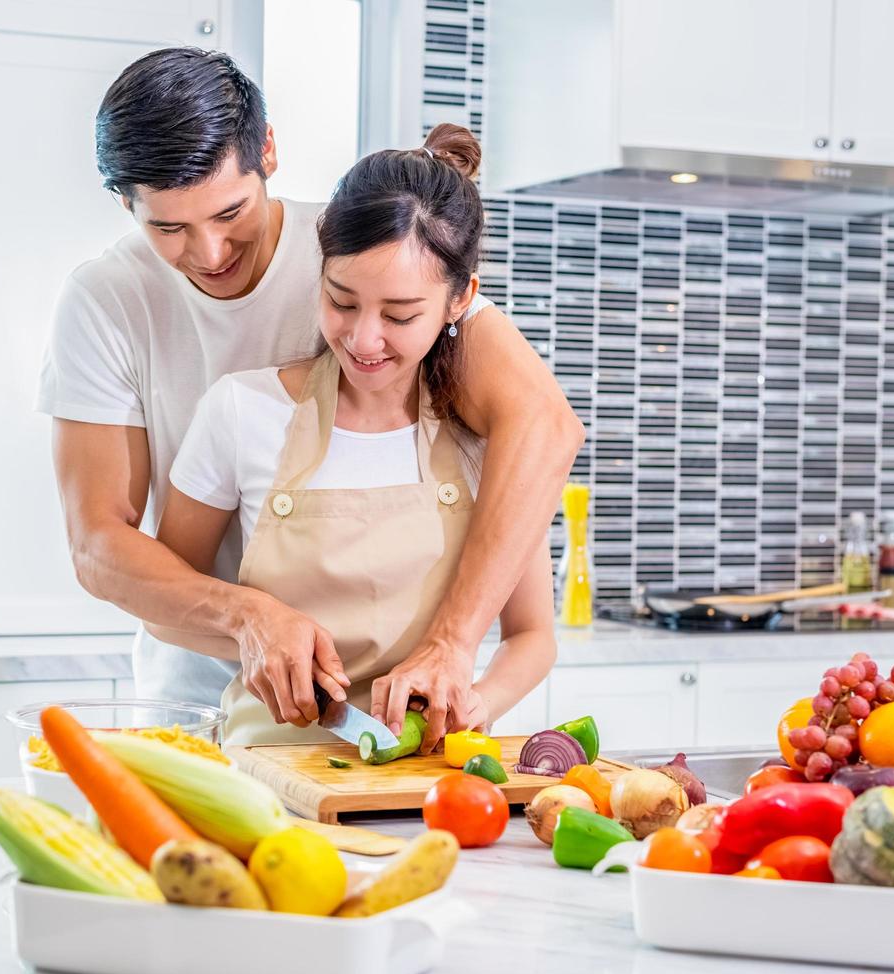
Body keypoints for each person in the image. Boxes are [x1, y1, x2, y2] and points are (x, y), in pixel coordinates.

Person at [37, 47, 581, 752]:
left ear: (267, 150)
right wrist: (247, 615)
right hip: (198, 701)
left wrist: (454, 645)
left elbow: (542, 424)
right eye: (167, 228)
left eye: (230, 211)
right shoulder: (105, 302)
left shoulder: (361, 250)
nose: (208, 252)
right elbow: (98, 545)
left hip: (397, 732)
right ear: (125, 203)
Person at [153, 125, 557, 744]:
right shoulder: (242, 411)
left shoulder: (487, 444)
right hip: (265, 779)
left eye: (400, 315)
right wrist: (250, 628)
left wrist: (477, 701)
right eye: (342, 301)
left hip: (428, 791)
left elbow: (532, 636)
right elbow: (165, 608)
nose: (364, 340)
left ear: (460, 301)